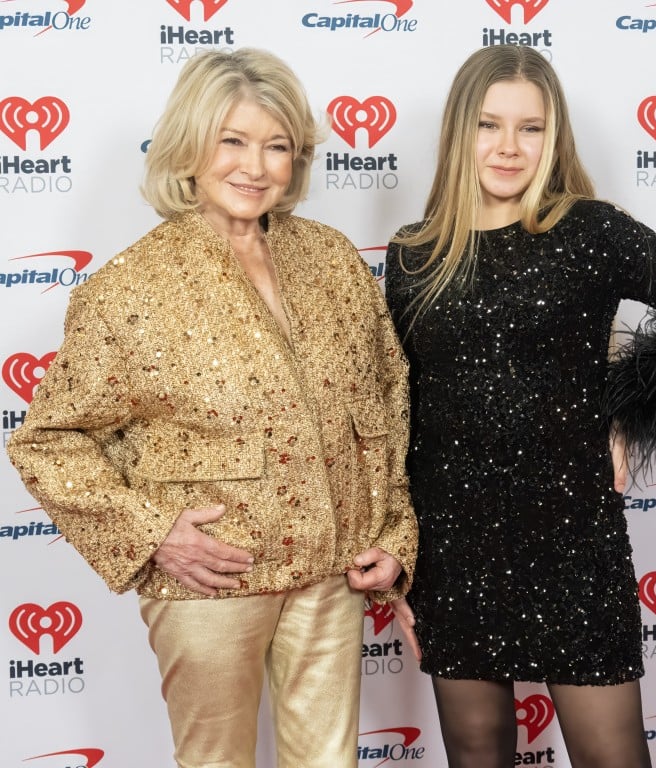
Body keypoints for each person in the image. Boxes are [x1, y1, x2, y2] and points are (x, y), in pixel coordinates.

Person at [6, 48, 417, 768]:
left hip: (329, 577)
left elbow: (387, 400)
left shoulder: (334, 261)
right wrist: (153, 530)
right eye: (233, 140)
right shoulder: (127, 288)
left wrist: (394, 530)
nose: (255, 166)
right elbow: (49, 439)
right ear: (190, 146)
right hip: (211, 586)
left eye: (277, 146)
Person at [384, 45, 656, 768]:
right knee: (473, 753)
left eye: (531, 128)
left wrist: (629, 411)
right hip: (454, 544)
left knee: (614, 757)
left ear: (553, 136)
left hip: (571, 539)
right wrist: (402, 555)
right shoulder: (412, 255)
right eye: (489, 124)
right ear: (459, 131)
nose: (508, 146)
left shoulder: (589, 231)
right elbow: (398, 411)